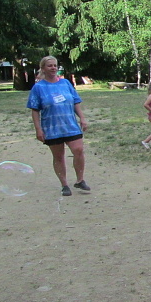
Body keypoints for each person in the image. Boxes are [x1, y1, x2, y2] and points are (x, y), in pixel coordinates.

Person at [26, 56, 90, 197]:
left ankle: (80, 180)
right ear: (43, 68)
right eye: (50, 66)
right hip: (52, 128)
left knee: (78, 150)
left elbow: (75, 101)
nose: (53, 68)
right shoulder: (38, 88)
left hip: (70, 125)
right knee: (58, 156)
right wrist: (38, 129)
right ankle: (64, 185)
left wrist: (82, 118)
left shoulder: (65, 83)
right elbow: (35, 110)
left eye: (55, 65)